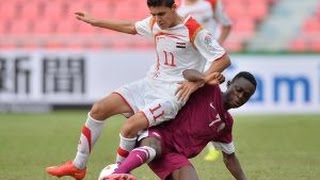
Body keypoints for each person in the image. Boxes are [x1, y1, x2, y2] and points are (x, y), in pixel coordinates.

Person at [45, 0, 231, 179]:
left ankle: (120, 173)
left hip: (172, 95)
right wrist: (95, 21)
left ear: (174, 8)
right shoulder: (154, 23)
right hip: (148, 85)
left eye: (161, 14)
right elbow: (131, 27)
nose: (158, 19)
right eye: (153, 14)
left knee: (129, 128)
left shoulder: (193, 29)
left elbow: (223, 59)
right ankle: (78, 166)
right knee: (98, 109)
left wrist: (198, 82)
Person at [105, 69, 256, 180]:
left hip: (174, 156)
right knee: (153, 147)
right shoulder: (210, 88)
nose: (240, 96)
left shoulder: (226, 123)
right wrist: (205, 78)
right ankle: (116, 174)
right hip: (159, 133)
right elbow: (187, 73)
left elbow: (230, 158)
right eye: (238, 90)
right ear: (229, 84)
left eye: (246, 95)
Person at [177, 0, 233, 161]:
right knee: (190, 101)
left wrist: (216, 49)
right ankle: (203, 142)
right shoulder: (176, 8)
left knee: (211, 101)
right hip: (191, 62)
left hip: (211, 61)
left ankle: (216, 143)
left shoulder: (212, 3)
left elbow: (227, 25)